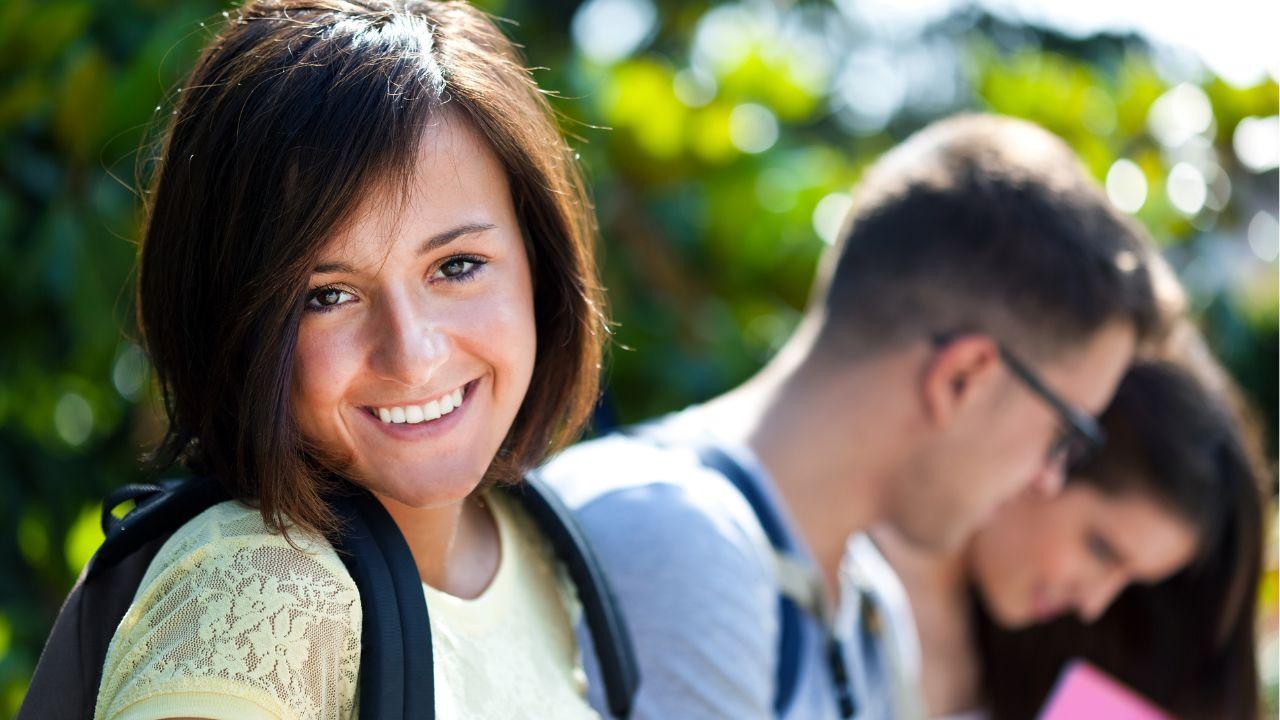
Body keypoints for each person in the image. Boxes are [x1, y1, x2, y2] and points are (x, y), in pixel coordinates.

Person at [540, 113, 1182, 719]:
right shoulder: (679, 538)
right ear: (963, 379)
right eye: (1065, 433)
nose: (1049, 477)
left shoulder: (870, 609)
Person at [90, 1, 608, 718]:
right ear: (231, 321)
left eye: (457, 266)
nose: (413, 354)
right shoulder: (261, 593)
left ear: (538, 264)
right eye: (328, 295)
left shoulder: (540, 547)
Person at [871, 356, 1267, 719]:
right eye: (1100, 549)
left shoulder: (1019, 664)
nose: (1092, 604)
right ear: (1052, 455)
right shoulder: (848, 574)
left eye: (1129, 583)